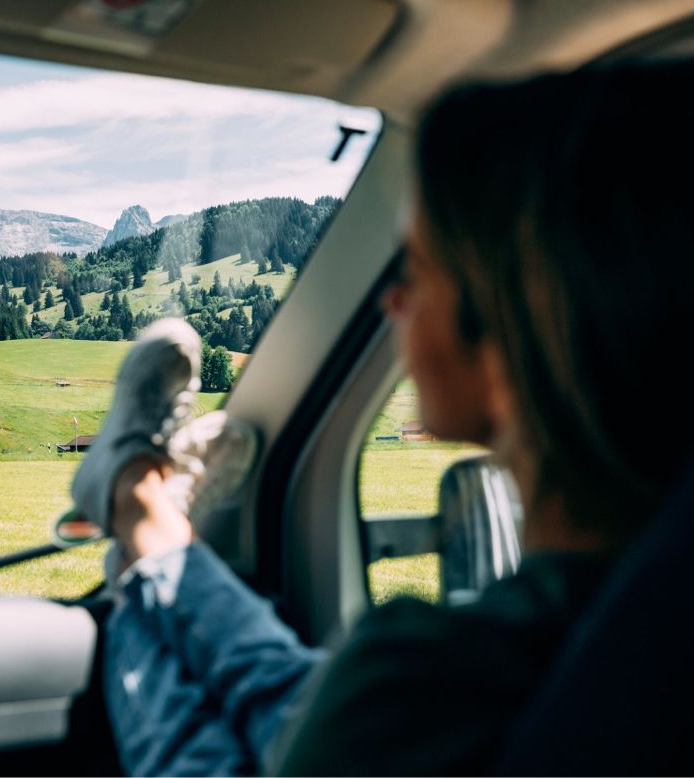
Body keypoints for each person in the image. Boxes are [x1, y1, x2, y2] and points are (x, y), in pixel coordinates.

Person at [69, 60, 694, 775]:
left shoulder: (425, 681)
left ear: (508, 333)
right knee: (280, 686)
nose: (389, 304)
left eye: (416, 272)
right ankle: (146, 521)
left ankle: (137, 513)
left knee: (205, 739)